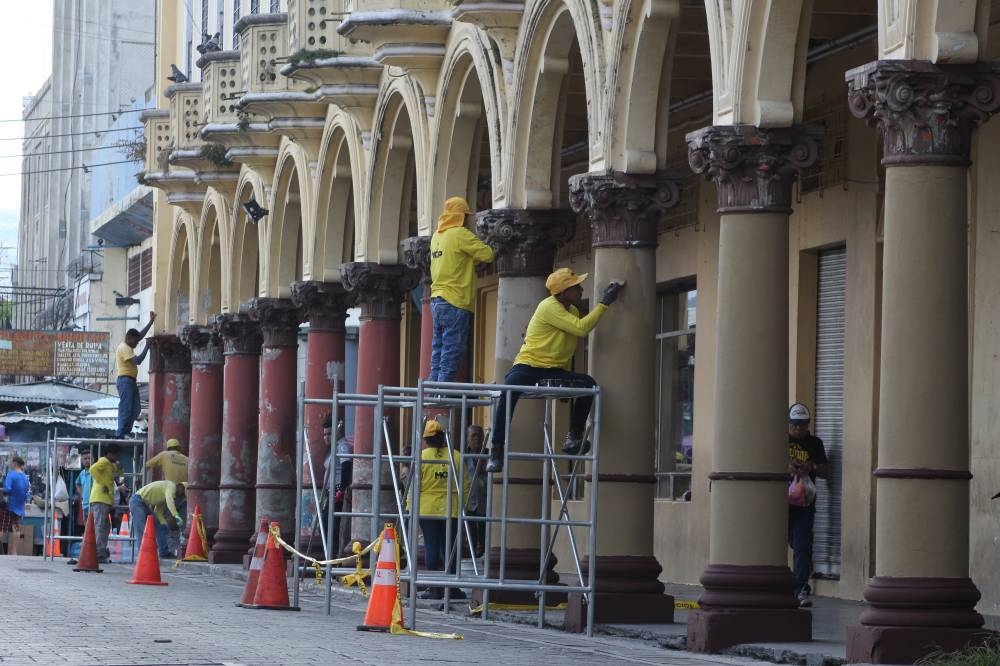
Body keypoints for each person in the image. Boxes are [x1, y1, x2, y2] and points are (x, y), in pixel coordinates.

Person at [487, 268, 624, 472]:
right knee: (509, 391)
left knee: (588, 385)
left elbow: (565, 346)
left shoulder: (573, 310)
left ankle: (573, 437)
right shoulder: (548, 307)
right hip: (528, 365)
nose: (580, 289)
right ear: (562, 292)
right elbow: (581, 329)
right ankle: (496, 450)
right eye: (575, 286)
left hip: (553, 370)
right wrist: (604, 303)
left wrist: (565, 379)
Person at [429, 196, 494, 382]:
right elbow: (487, 255)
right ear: (461, 217)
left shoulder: (436, 237)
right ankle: (442, 392)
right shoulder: (459, 234)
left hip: (437, 300)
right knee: (452, 350)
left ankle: (433, 388)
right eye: (466, 216)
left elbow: (455, 259)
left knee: (438, 349)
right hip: (455, 300)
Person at [410, 420, 468, 600]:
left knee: (431, 545)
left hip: (427, 510)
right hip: (451, 509)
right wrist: (463, 506)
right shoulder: (456, 456)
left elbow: (414, 487)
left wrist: (409, 509)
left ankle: (434, 588)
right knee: (450, 548)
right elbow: (465, 485)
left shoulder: (421, 456)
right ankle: (451, 587)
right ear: (443, 437)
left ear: (426, 440)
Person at [787, 402, 829, 608]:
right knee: (792, 543)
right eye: (795, 425)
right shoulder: (780, 440)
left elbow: (825, 470)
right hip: (781, 504)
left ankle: (800, 588)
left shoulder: (815, 443)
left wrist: (811, 465)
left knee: (803, 546)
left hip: (804, 503)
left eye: (802, 425)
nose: (798, 429)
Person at [115, 312, 156, 438]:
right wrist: (147, 347)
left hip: (130, 381)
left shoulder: (128, 344)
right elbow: (138, 361)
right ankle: (121, 432)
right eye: (136, 341)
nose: (137, 344)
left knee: (136, 408)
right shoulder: (124, 347)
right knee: (126, 407)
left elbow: (140, 336)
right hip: (125, 381)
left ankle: (126, 430)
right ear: (129, 338)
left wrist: (151, 322)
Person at [89, 444, 128, 563]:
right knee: (100, 526)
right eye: (117, 454)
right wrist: (103, 484)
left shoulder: (110, 465)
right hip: (100, 499)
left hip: (105, 500)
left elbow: (118, 473)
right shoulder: (104, 461)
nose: (118, 456)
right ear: (110, 453)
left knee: (105, 526)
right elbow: (92, 469)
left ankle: (101, 549)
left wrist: (120, 468)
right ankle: (98, 552)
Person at [128, 479, 186, 558]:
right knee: (141, 530)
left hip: (143, 504)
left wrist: (163, 524)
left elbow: (158, 511)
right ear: (180, 487)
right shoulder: (171, 486)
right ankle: (143, 557)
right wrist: (176, 515)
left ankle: (164, 552)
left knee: (161, 528)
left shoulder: (164, 493)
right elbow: (170, 500)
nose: (181, 495)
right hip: (137, 501)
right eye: (183, 493)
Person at [321, 414, 353, 553]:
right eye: (324, 434)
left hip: (337, 492)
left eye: (329, 433)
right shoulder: (332, 449)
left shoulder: (343, 446)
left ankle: (333, 559)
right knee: (326, 526)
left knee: (333, 529)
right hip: (329, 493)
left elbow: (346, 468)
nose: (326, 437)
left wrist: (340, 491)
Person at [464, 425, 487, 558]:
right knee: (470, 528)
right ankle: (471, 551)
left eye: (480, 435)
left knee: (484, 528)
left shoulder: (488, 455)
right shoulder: (463, 456)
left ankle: (482, 550)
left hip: (485, 499)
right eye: (473, 435)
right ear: (467, 439)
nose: (477, 438)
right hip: (469, 499)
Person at [1, 457, 31, 554]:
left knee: (1, 527)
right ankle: (14, 552)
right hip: (19, 506)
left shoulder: (11, 474)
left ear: (15, 463)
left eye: (11, 462)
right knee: (16, 527)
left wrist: (0, 489)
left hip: (9, 506)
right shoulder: (25, 477)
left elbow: (8, 489)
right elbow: (27, 493)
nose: (10, 463)